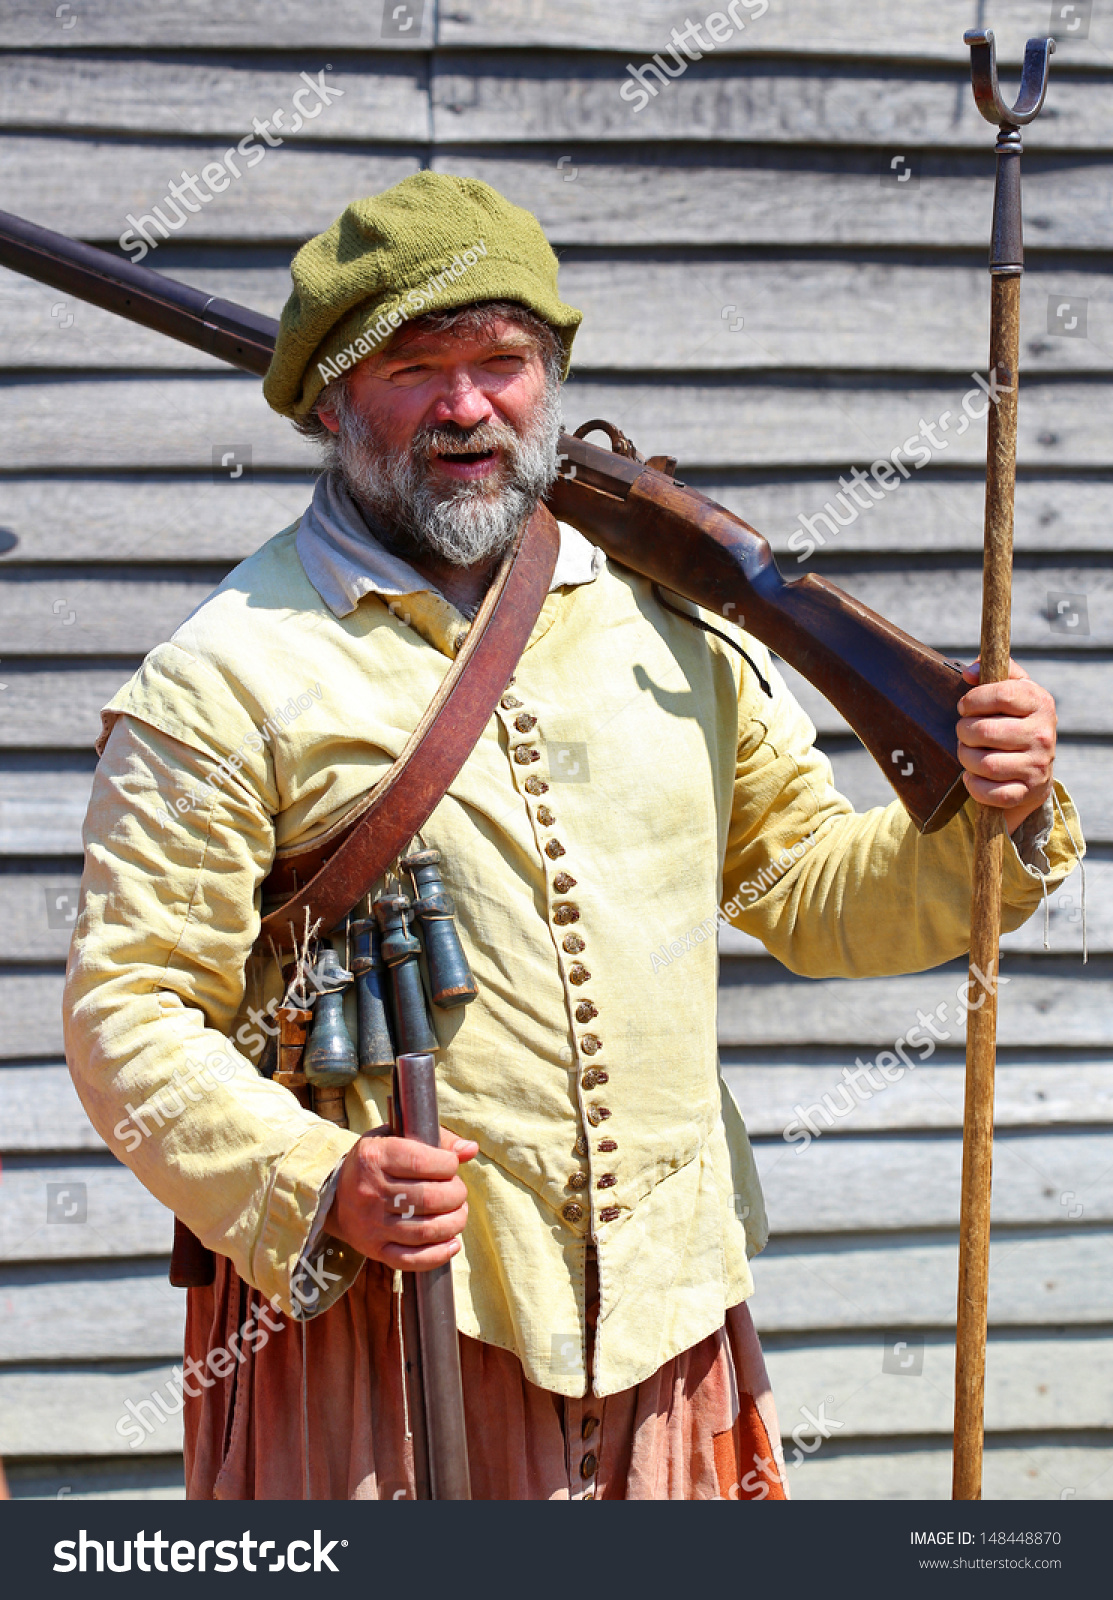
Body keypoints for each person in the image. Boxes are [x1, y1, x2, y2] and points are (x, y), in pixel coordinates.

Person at [64, 173, 1081, 1501]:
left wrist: (986, 816)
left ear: (550, 381)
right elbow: (128, 1010)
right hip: (386, 1344)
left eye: (502, 363)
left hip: (667, 1323)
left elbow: (814, 893)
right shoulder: (221, 677)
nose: (465, 407)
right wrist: (319, 1178)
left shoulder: (668, 632)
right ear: (326, 399)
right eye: (412, 369)